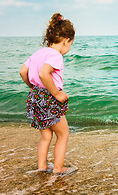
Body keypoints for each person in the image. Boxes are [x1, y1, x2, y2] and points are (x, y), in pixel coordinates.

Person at [19, 13, 77, 175]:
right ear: (66, 40)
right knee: (63, 134)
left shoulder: (38, 53)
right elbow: (45, 73)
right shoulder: (55, 55)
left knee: (46, 136)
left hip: (35, 97)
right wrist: (56, 93)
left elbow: (23, 71)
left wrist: (33, 88)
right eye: (71, 44)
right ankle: (58, 168)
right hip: (49, 98)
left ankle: (42, 167)